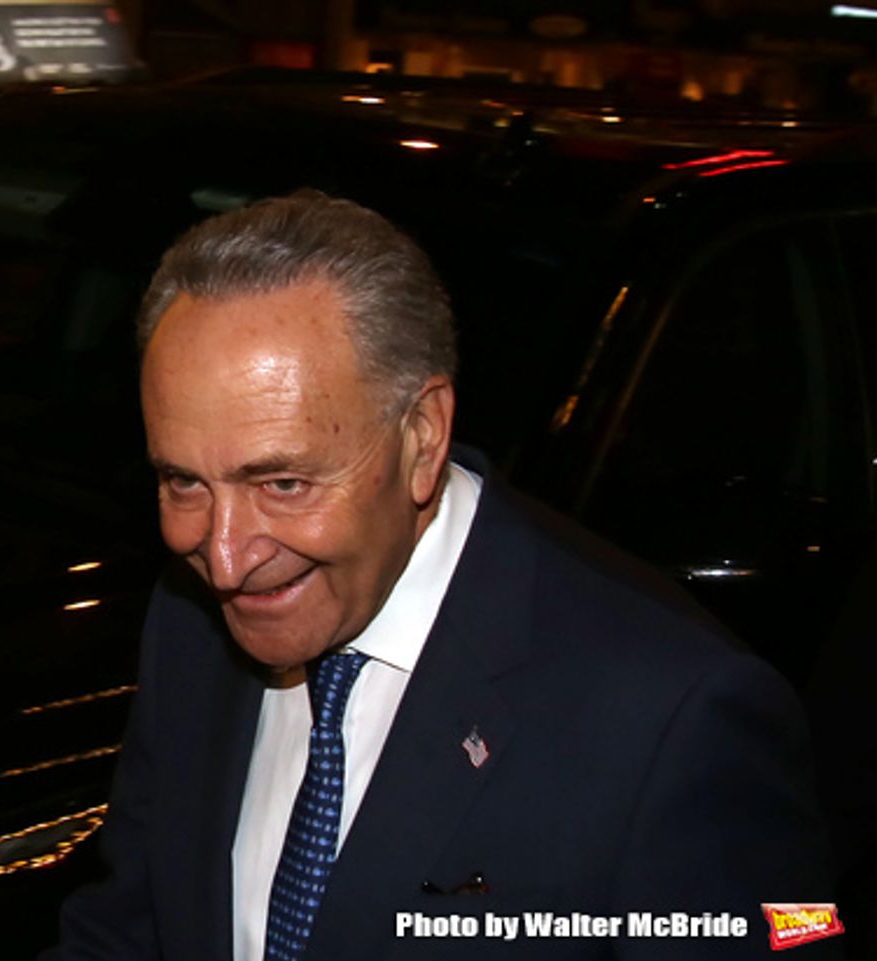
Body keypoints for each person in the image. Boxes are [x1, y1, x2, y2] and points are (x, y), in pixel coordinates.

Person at [42, 192, 842, 960]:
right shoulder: (190, 617)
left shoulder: (675, 717)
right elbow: (129, 928)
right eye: (184, 481)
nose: (222, 555)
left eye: (282, 483)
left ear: (422, 436)